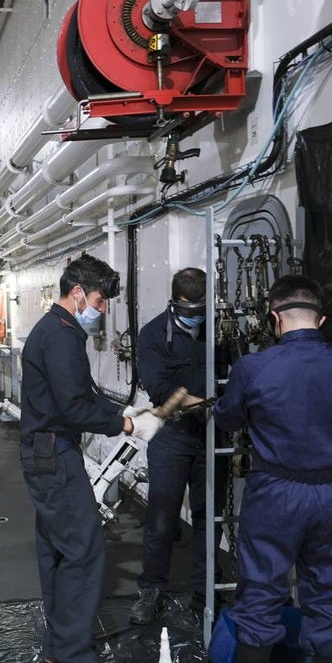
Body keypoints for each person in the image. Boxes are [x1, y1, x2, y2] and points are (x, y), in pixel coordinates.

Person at [212, 274, 332, 663]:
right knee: (328, 593)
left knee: (261, 590)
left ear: (274, 317)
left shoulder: (254, 367)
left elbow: (227, 418)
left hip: (275, 493)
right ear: (320, 320)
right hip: (331, 493)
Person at [19, 254, 164, 663]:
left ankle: (61, 642)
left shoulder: (55, 330)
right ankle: (73, 654)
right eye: (99, 301)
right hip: (54, 455)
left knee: (57, 550)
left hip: (46, 452)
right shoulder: (61, 338)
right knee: (85, 551)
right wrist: (127, 426)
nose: (101, 310)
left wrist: (125, 411)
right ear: (78, 293)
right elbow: (74, 408)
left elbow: (83, 394)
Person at [131, 267, 219, 626]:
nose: (196, 316)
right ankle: (150, 591)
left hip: (212, 435)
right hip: (172, 435)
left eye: (201, 309)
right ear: (174, 302)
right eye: (188, 309)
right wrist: (209, 402)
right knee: (162, 518)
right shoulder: (153, 335)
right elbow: (160, 389)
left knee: (209, 517)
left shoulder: (220, 330)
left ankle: (205, 595)